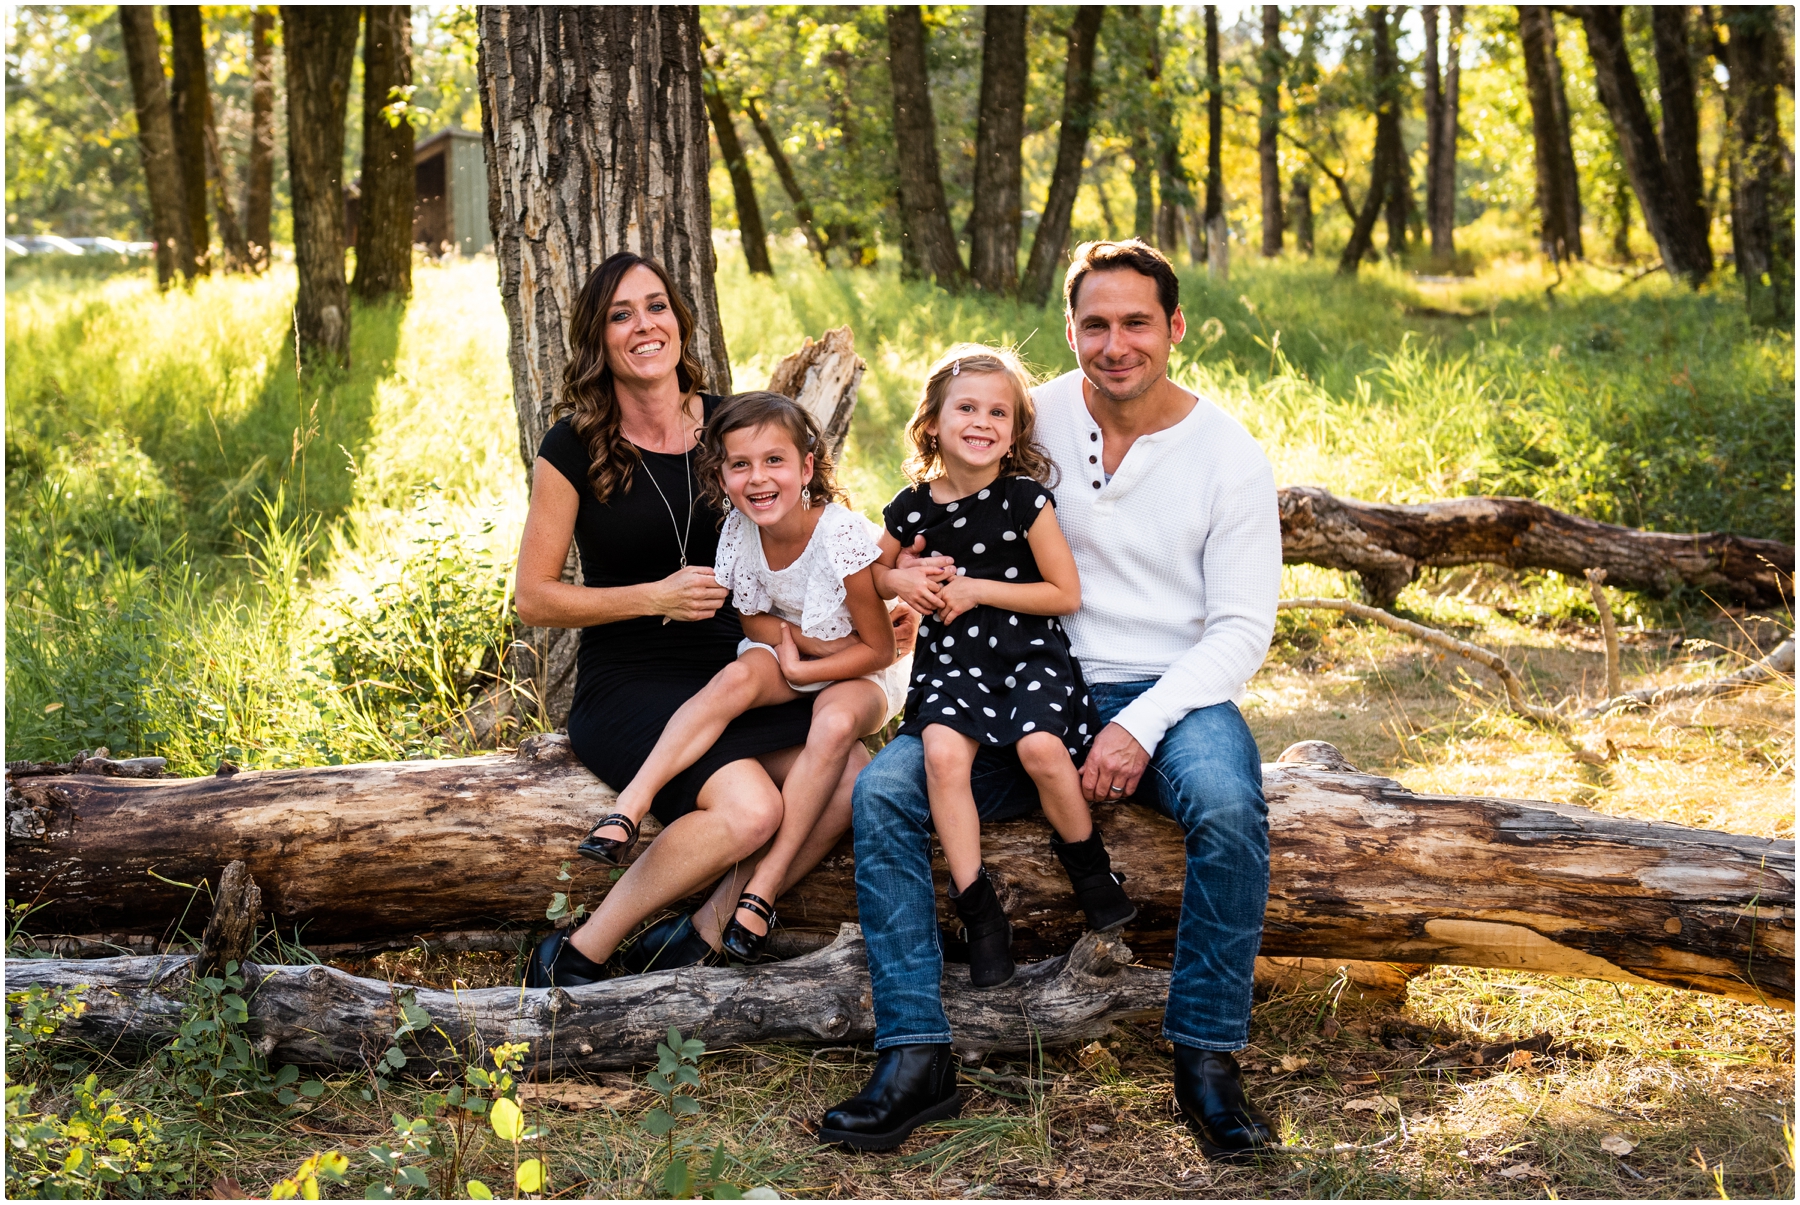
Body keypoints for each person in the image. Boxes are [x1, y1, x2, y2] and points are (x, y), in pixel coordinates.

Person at [820, 240, 1283, 1161]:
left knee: (1230, 808)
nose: (1116, 345)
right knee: (884, 794)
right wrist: (906, 576)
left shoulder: (1228, 454)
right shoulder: (1032, 411)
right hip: (1011, 674)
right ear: (1070, 331)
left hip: (1169, 687)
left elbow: (1240, 632)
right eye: (1096, 325)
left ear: (1175, 327)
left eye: (1137, 323)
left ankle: (1206, 1056)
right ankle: (916, 1053)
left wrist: (1136, 724)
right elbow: (931, 498)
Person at [515, 252, 908, 987]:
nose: (644, 326)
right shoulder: (572, 445)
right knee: (753, 808)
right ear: (598, 340)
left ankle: (704, 929)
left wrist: (881, 601)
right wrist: (652, 597)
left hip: (741, 661)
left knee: (857, 775)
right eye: (620, 315)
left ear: (680, 320)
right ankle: (579, 952)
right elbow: (534, 597)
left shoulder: (727, 422)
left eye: (656, 306)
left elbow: (809, 525)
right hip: (630, 677)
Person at [576, 391, 907, 963]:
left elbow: (878, 649)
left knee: (832, 729)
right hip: (795, 649)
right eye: (740, 465)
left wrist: (814, 661)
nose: (758, 478)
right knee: (735, 680)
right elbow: (752, 614)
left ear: (807, 467)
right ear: (721, 474)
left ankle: (763, 886)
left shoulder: (842, 537)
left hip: (861, 672)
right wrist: (796, 649)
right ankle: (630, 804)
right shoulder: (738, 529)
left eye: (774, 461)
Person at [872, 344, 1134, 992]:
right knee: (940, 753)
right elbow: (871, 573)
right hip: (954, 660)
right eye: (966, 407)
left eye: (999, 412)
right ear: (932, 421)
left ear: (1015, 431)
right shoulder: (912, 507)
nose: (982, 421)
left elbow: (1063, 593)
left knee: (1042, 747)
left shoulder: (1023, 499)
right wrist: (902, 575)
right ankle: (979, 911)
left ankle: (1093, 874)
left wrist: (977, 589)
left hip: (1028, 652)